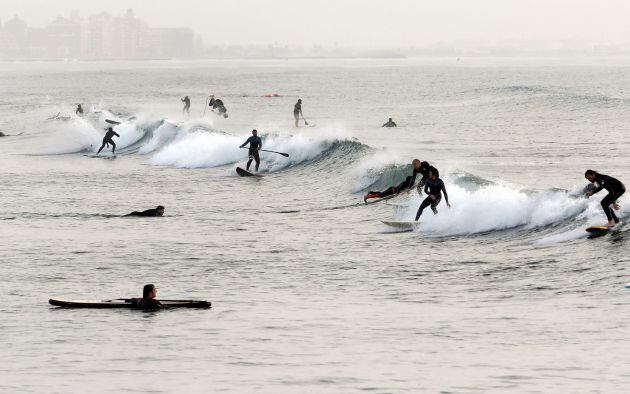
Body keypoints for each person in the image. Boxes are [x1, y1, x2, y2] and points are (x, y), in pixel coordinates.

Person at [363, 159, 431, 202]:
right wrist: (397, 194)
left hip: (392, 189)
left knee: (380, 194)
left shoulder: (406, 183)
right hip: (393, 190)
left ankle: (370, 192)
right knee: (380, 195)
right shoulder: (405, 184)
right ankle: (367, 196)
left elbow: (412, 182)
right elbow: (403, 186)